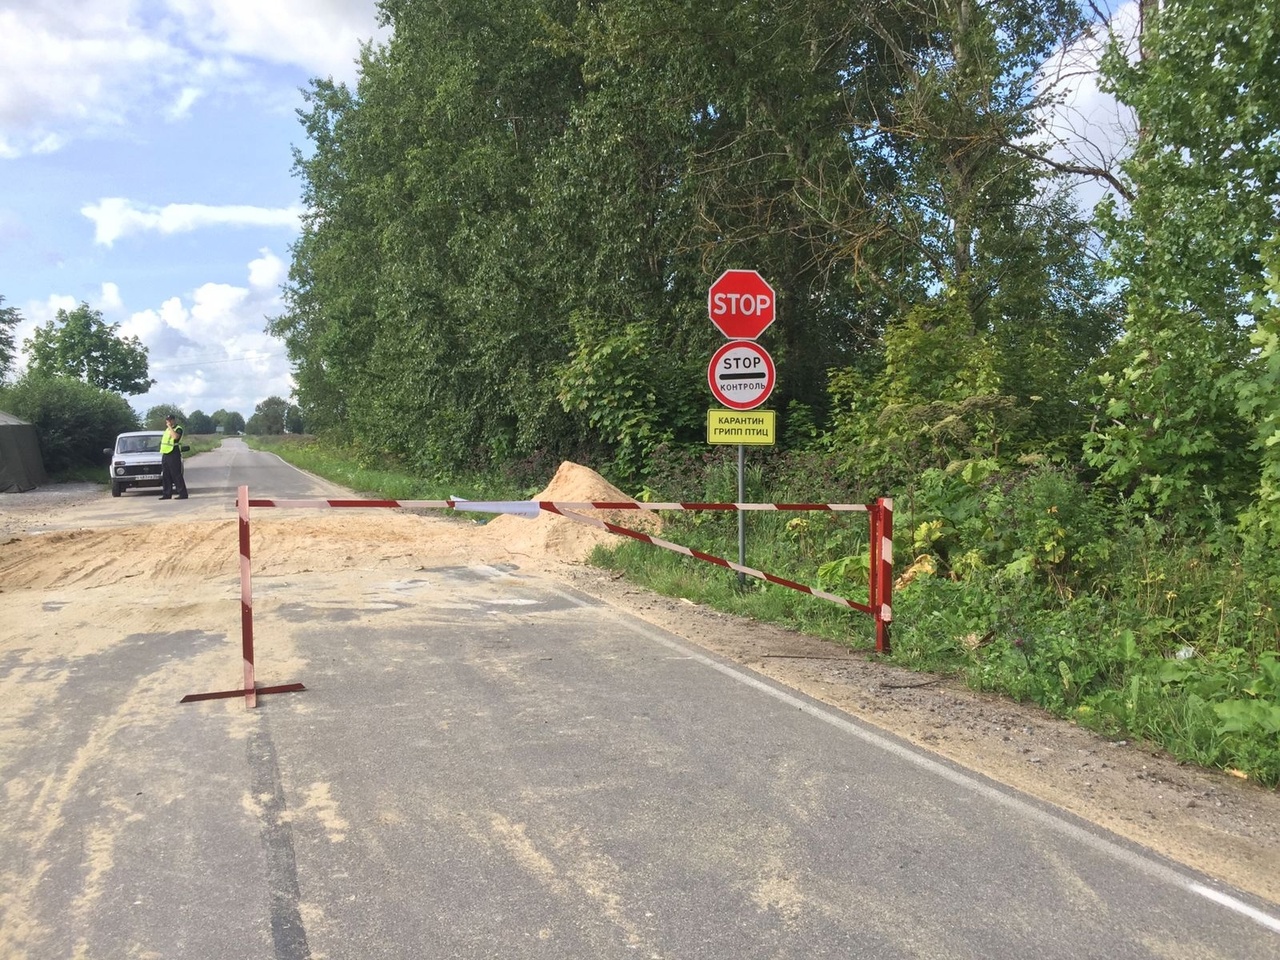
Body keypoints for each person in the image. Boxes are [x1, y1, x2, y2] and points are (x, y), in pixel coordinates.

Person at [159, 413, 188, 499]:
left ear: (173, 420)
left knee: (176, 474)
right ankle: (167, 494)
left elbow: (175, 437)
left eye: (170, 420)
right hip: (165, 453)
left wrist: (170, 427)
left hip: (174, 452)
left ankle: (183, 494)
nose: (168, 421)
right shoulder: (167, 430)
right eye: (167, 420)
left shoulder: (178, 429)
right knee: (166, 474)